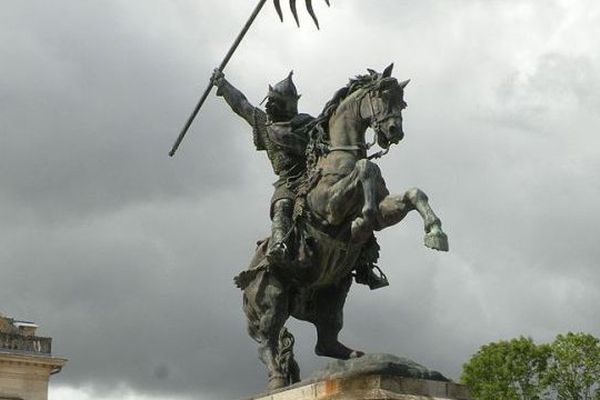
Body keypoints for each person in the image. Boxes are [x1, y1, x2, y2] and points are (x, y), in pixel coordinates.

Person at [212, 69, 313, 264]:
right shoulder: (265, 125)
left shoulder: (307, 124)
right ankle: (278, 246)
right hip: (288, 184)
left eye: (276, 101)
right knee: (282, 206)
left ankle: (364, 261)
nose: (270, 105)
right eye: (270, 101)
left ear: (288, 105)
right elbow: (242, 105)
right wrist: (223, 85)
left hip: (313, 176)